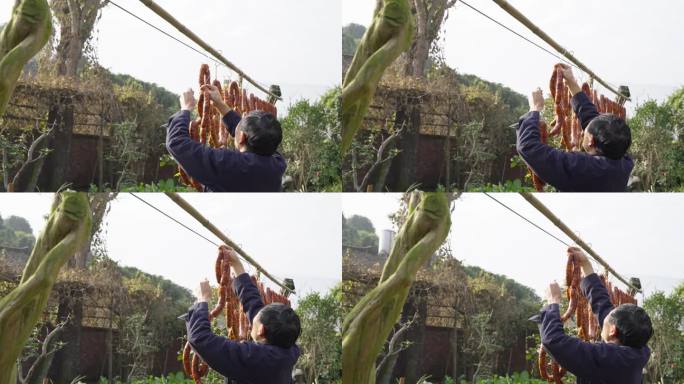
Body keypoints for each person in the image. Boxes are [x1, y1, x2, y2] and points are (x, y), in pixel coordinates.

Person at [532, 247, 652, 384]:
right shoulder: (638, 350)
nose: (607, 312)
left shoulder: (610, 359)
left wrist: (552, 302)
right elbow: (603, 306)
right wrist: (586, 265)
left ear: (612, 330)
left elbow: (553, 341)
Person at [184, 245, 301, 383]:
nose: (253, 319)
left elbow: (200, 339)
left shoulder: (256, 359)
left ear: (261, 330)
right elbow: (255, 306)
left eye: (255, 321)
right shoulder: (288, 350)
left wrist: (202, 299)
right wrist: (237, 266)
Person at [517, 64, 633, 192]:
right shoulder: (624, 161)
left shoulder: (583, 169)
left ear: (590, 141)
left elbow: (529, 147)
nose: (586, 127)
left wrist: (534, 108)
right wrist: (571, 82)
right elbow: (591, 119)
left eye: (586, 131)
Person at [166, 85, 286, 192]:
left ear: (242, 137)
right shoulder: (277, 164)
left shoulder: (229, 165)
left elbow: (177, 143)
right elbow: (251, 132)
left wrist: (185, 108)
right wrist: (219, 103)